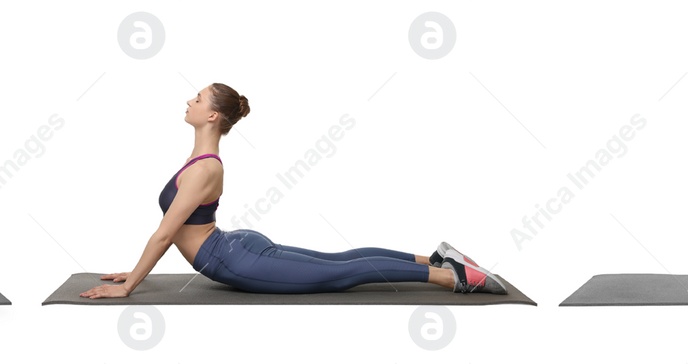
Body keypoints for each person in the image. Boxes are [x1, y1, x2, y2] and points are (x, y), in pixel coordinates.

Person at [80, 83, 506, 299]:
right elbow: (174, 229)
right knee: (341, 260)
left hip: (232, 258)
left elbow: (164, 234)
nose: (188, 101)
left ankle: (453, 275)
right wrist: (132, 270)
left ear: (211, 115)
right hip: (235, 244)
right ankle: (436, 257)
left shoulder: (202, 169)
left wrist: (130, 284)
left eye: (196, 98)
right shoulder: (199, 161)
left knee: (341, 274)